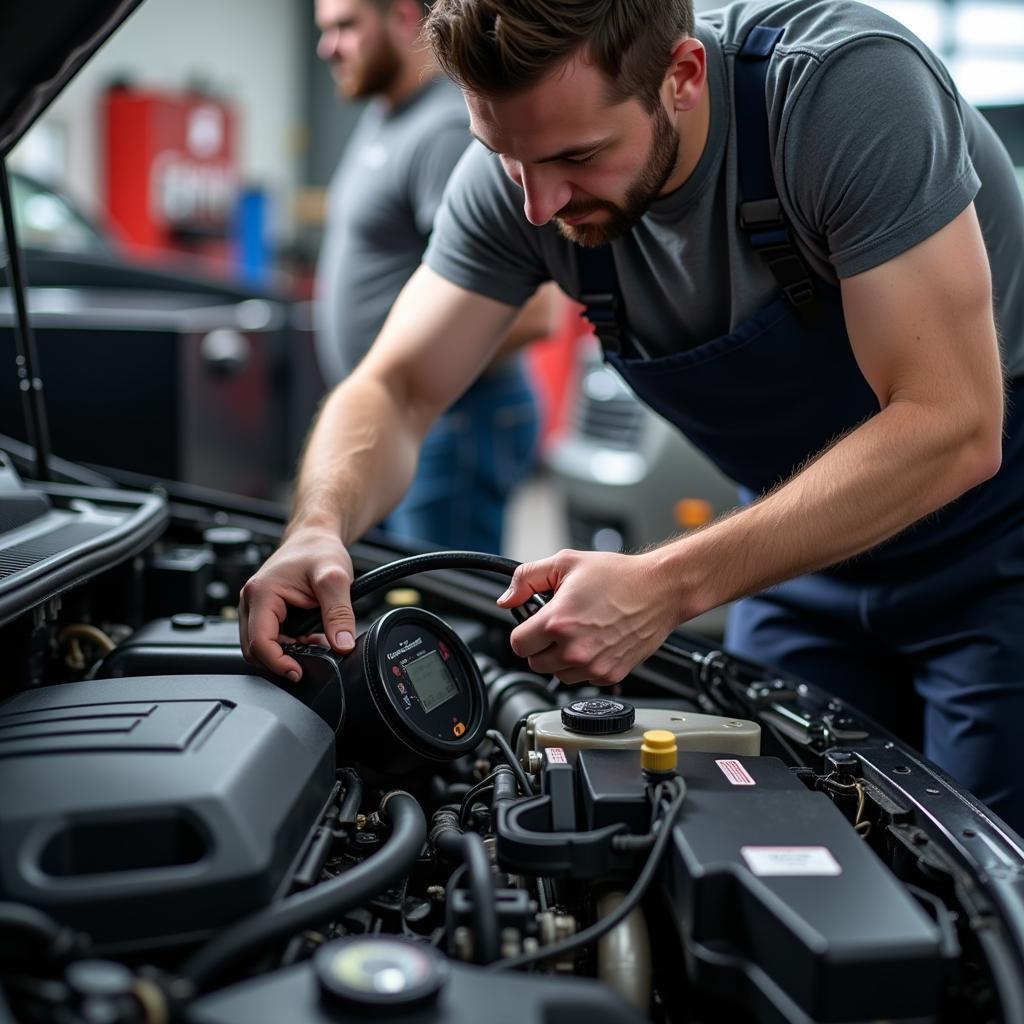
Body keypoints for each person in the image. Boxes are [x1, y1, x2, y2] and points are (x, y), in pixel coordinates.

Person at [243, 0, 1024, 832]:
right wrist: (318, 523)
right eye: (507, 158)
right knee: (771, 841)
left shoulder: (840, 93)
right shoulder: (524, 173)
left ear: (682, 76)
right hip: (799, 564)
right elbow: (394, 388)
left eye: (579, 156)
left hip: (992, 558)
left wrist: (669, 583)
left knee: (986, 875)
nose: (539, 206)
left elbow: (953, 423)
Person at [313, 0, 551, 552]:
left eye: (347, 27)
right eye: (324, 31)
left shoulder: (445, 129)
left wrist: (407, 372)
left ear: (401, 20)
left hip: (453, 420)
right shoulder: (384, 116)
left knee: (448, 607)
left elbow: (535, 308)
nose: (329, 47)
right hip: (403, 417)